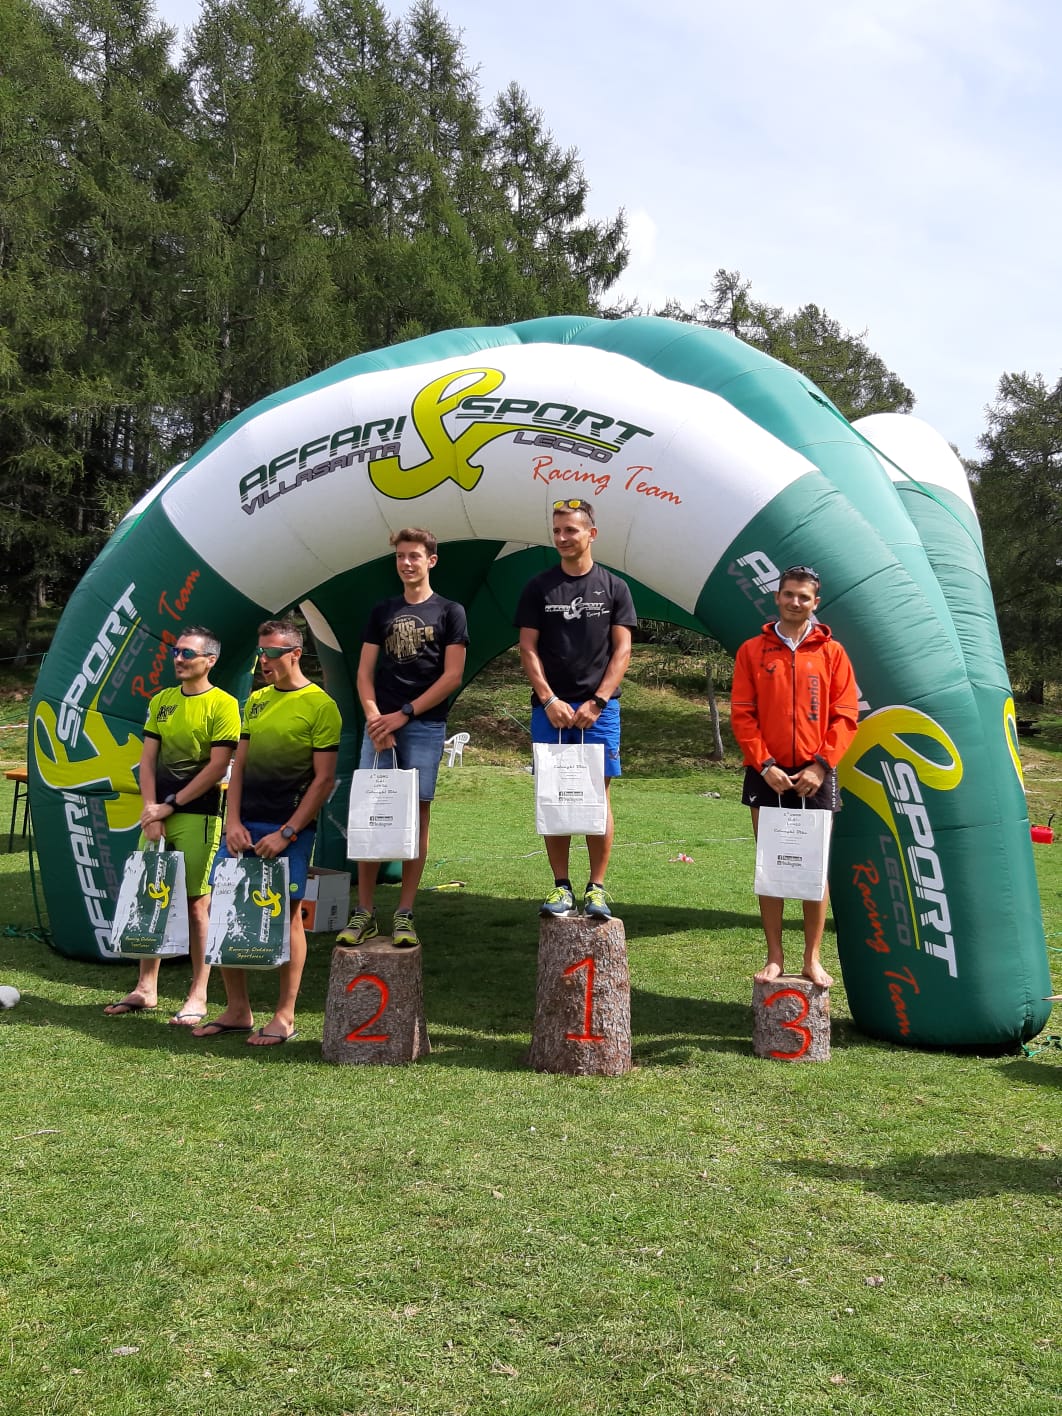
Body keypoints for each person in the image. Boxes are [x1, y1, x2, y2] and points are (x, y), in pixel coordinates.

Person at [193, 619, 340, 1045]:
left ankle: (285, 1015)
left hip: (287, 830)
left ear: (295, 653)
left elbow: (323, 780)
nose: (264, 662)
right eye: (261, 653)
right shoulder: (255, 700)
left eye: (272, 653)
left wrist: (288, 833)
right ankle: (237, 1010)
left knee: (288, 914)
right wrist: (232, 822)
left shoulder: (321, 705)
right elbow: (238, 767)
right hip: (244, 826)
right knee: (226, 909)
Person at [338, 528, 468, 949]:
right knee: (369, 814)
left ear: (431, 560)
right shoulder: (383, 610)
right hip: (381, 726)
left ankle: (405, 913)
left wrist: (404, 715)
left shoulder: (450, 611)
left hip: (424, 726)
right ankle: (364, 912)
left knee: (418, 817)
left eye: (414, 556)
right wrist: (376, 719)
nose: (406, 563)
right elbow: (363, 673)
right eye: (400, 557)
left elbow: (452, 676)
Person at [730, 564, 859, 987]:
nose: (795, 602)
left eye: (804, 597)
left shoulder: (832, 653)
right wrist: (763, 764)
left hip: (816, 774)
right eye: (789, 594)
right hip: (766, 773)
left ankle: (811, 957)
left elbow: (846, 714)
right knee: (772, 864)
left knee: (812, 869)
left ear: (814, 603)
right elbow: (742, 714)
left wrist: (821, 765)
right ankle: (774, 956)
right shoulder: (752, 650)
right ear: (777, 597)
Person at [104, 626, 240, 1024]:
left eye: (187, 653)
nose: (178, 659)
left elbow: (218, 767)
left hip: (198, 815)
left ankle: (198, 994)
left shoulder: (224, 704)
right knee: (152, 896)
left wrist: (170, 806)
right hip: (157, 816)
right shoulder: (161, 700)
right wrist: (150, 810)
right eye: (176, 652)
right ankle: (146, 987)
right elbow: (146, 761)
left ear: (209, 661)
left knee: (198, 904)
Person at [516, 497, 637, 919]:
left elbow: (622, 651)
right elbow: (527, 649)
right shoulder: (539, 586)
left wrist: (598, 701)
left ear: (591, 533)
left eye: (571, 530)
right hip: (550, 709)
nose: (563, 538)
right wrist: (549, 699)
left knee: (598, 796)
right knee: (554, 794)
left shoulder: (615, 587)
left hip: (599, 711)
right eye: (557, 531)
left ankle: (597, 888)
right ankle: (561, 886)